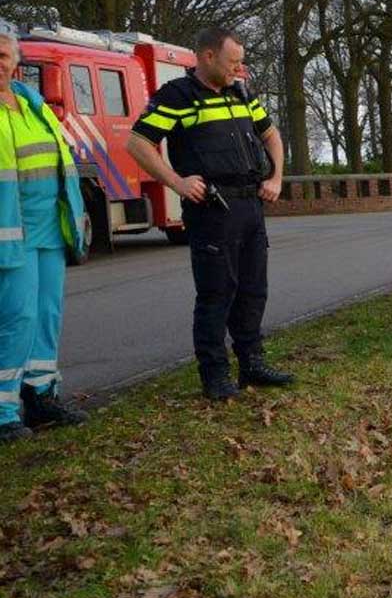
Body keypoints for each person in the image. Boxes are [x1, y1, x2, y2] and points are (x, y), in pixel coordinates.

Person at [125, 26, 293, 401]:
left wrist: (276, 176)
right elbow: (137, 142)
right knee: (217, 292)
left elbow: (271, 134)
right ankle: (215, 375)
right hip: (212, 211)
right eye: (233, 61)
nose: (239, 68)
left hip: (250, 204)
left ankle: (252, 363)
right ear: (207, 56)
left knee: (253, 290)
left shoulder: (241, 92)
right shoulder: (177, 96)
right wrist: (177, 182)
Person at [0, 30, 89, 441]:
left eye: (3, 54)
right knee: (16, 317)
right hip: (8, 235)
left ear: (16, 59)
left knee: (47, 314)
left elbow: (60, 164)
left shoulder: (34, 105)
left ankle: (40, 396)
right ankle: (3, 412)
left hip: (49, 229)